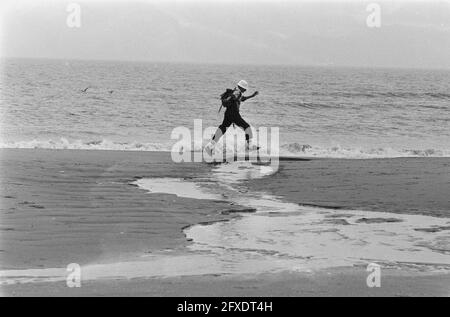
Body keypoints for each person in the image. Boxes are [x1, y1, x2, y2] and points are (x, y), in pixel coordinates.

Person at [205, 80, 259, 155]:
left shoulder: (235, 91)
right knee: (247, 127)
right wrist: (231, 98)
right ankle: (249, 146)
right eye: (245, 89)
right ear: (242, 88)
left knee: (223, 128)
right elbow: (235, 97)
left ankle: (210, 146)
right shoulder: (237, 92)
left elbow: (242, 99)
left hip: (228, 113)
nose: (245, 90)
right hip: (234, 114)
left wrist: (252, 96)